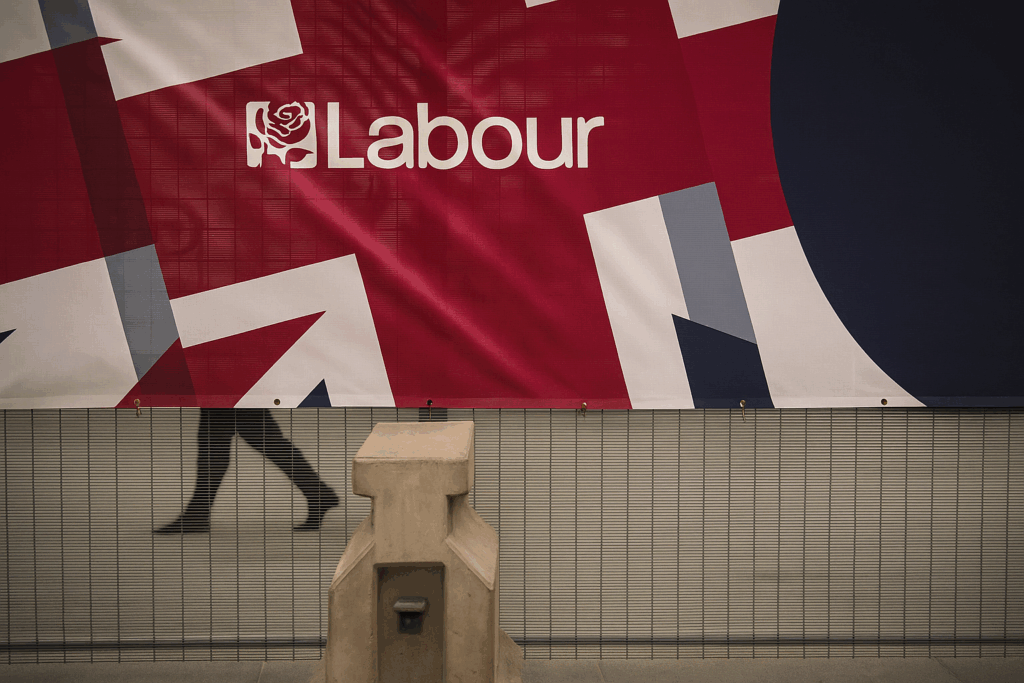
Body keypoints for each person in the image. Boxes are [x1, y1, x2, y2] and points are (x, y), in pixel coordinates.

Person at [155, 408, 339, 533]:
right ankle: (318, 493)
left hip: (227, 376)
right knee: (261, 440)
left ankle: (197, 513)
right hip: (232, 374)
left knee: (217, 444)